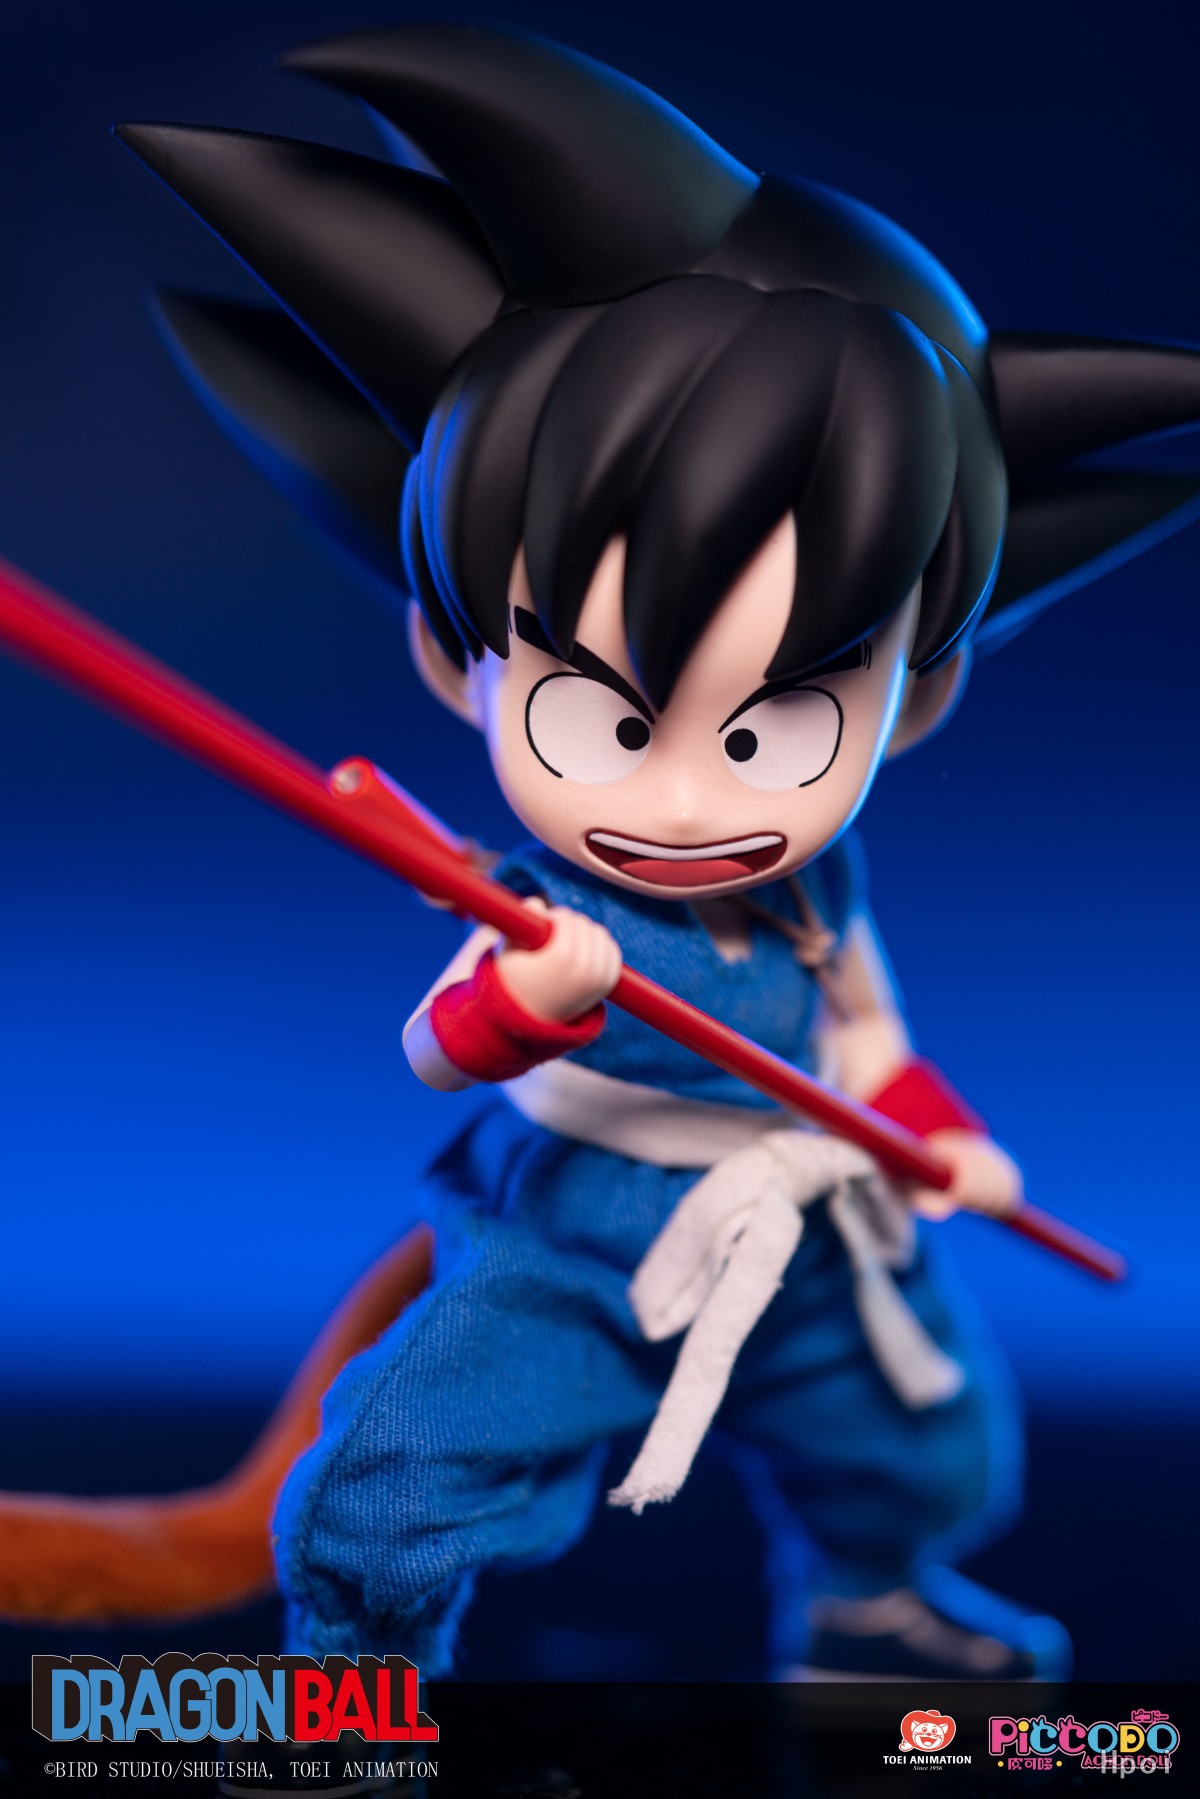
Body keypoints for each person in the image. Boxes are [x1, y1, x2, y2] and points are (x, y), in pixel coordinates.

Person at [110, 23, 1200, 1677]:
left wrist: (937, 1136)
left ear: (916, 699)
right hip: (581, 1234)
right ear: (456, 658)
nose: (685, 803)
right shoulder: (532, 903)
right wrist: (528, 1001)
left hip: (802, 1224)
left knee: (920, 1431)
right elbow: (434, 1047)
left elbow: (866, 1040)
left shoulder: (819, 889)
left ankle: (868, 1608)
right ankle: (350, 1675)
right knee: (418, 1460)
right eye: (606, 720)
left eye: (774, 730)